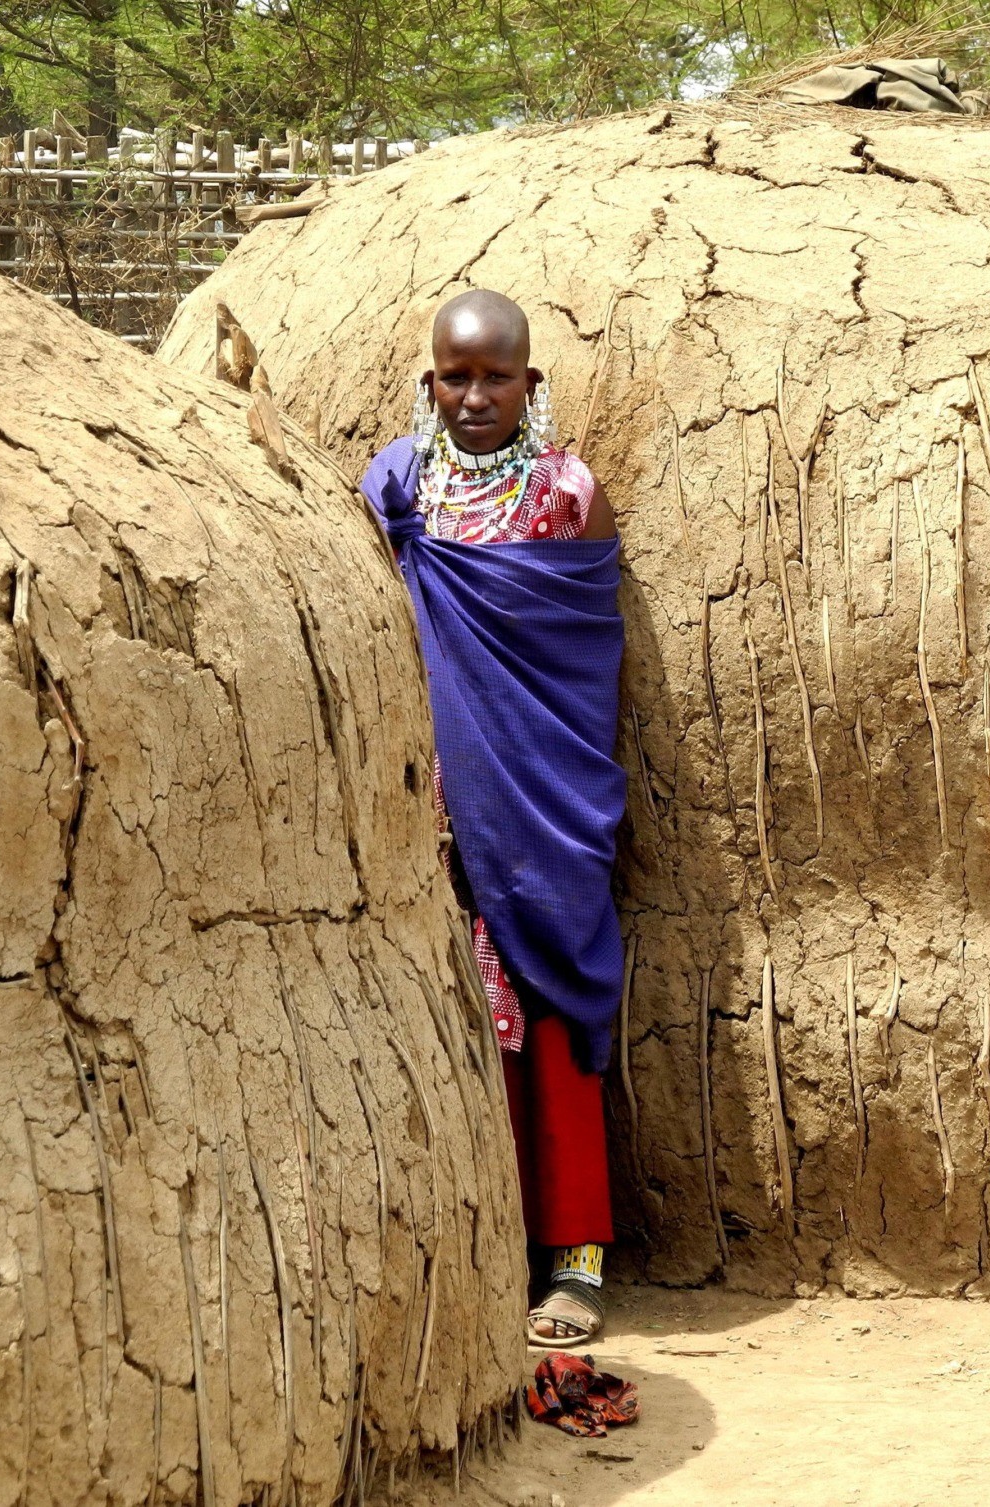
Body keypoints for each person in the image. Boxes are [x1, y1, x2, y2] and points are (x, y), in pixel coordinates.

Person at [360, 289, 625, 1346]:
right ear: (431, 383)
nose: (474, 397)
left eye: (494, 377)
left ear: (531, 383)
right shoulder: (398, 487)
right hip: (440, 804)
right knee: (464, 1019)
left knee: (551, 1009)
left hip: (543, 802)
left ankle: (577, 1257)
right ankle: (482, 1246)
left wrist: (534, 786)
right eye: (454, 378)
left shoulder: (567, 497)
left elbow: (583, 668)